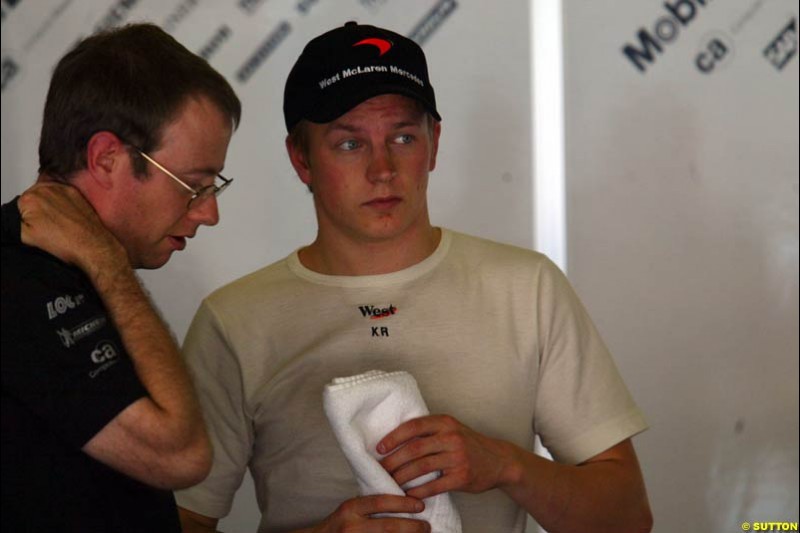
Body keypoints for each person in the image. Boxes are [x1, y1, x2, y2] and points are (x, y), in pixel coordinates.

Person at [177, 22, 652, 533]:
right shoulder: (236, 320)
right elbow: (181, 521)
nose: (383, 169)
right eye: (350, 144)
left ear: (434, 143)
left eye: (403, 136)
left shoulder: (527, 288)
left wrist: (505, 465)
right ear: (301, 159)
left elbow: (627, 517)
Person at [1, 23, 241, 532]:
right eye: (194, 185)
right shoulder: (18, 276)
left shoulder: (69, 267)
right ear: (107, 158)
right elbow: (182, 454)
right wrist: (108, 264)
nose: (209, 213)